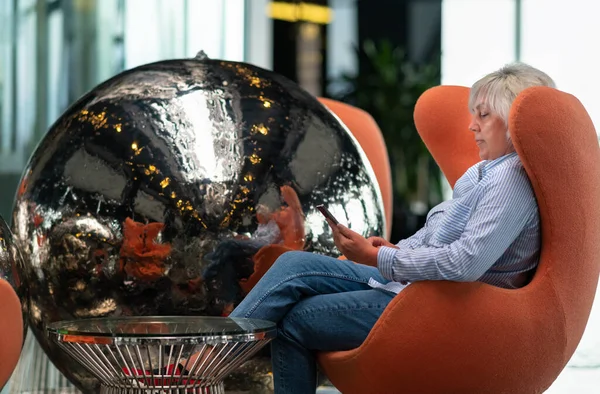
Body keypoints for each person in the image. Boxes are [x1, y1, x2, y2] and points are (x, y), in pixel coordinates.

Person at [228, 63, 556, 394]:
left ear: (514, 122)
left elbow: (465, 263)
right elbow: (442, 238)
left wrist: (380, 257)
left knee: (295, 319)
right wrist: (390, 250)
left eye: (483, 116)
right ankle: (207, 355)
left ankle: (204, 360)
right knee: (291, 266)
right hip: (419, 287)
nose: (472, 126)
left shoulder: (510, 180)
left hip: (441, 305)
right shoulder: (487, 172)